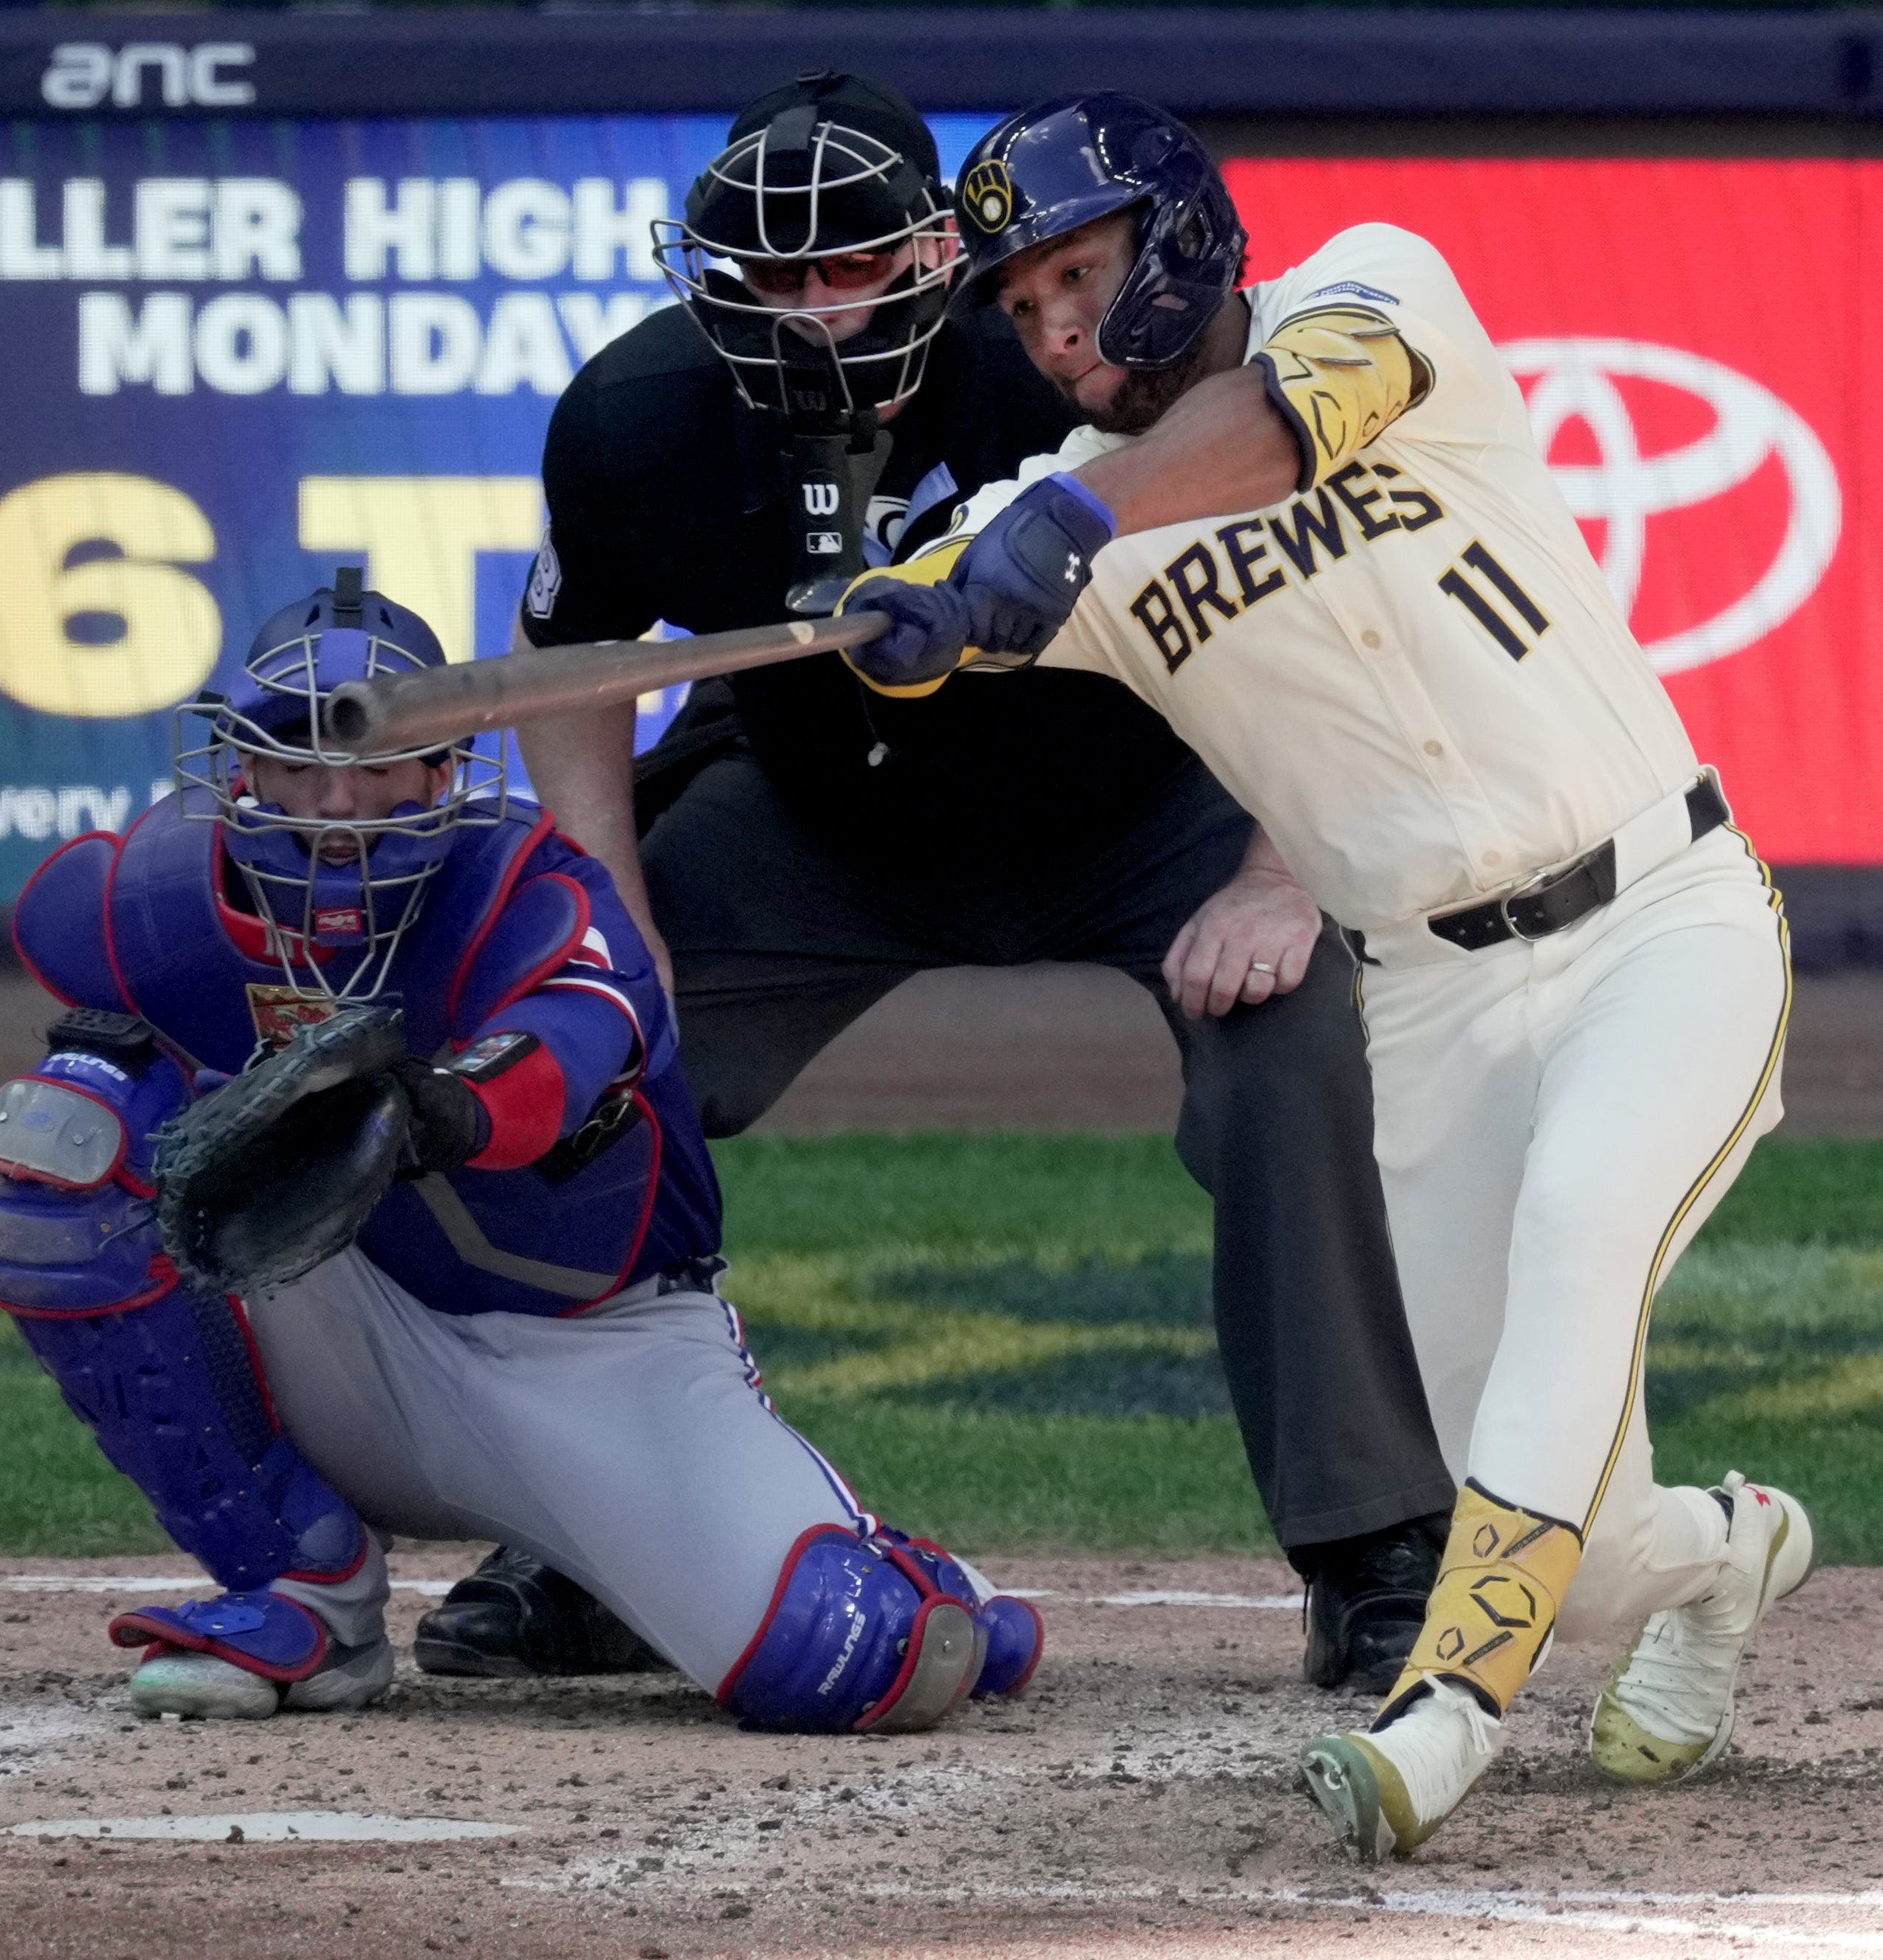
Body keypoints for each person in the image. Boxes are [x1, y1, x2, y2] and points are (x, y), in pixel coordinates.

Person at [842, 94, 1809, 1861]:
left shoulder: (1374, 290)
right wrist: (903, 616)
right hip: (1430, 1010)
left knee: (1585, 1220)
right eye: (1025, 308)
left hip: (1662, 914)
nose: (1056, 332)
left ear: (1179, 230)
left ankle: (1446, 1704)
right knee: (1585, 1566)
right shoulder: (1066, 516)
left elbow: (1285, 427)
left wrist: (1065, 525)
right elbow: (932, 610)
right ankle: (1734, 1547)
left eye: (1080, 272)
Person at [418, 67, 1457, 1696]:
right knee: (580, 1039)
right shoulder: (633, 417)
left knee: (1296, 1043)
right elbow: (576, 664)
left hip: (1155, 789)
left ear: (945, 255)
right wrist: (611, 923)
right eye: (774, 276)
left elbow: (1321, 594)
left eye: (855, 267)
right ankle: (605, 1534)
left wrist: (1283, 870)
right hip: (816, 812)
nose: (814, 311)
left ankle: (1378, 1541)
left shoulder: (1089, 372)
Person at [0, 570, 1042, 1734]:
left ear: (444, 769)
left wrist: (434, 1106)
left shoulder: (532, 887)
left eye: (382, 758)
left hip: (597, 1352)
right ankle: (297, 1585)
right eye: (300, 756)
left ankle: (889, 1565)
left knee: (842, 1660)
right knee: (62, 1135)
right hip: (349, 1321)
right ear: (242, 769)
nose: (341, 798)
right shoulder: (149, 907)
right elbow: (108, 1091)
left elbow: (575, 1043)